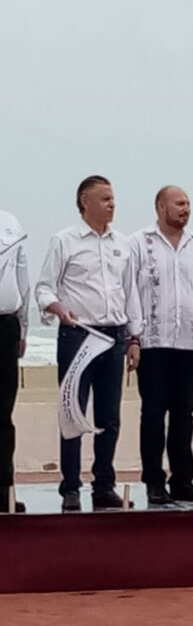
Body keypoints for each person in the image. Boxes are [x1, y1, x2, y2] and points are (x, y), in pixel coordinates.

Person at [35, 175, 133, 511]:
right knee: (72, 413)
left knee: (110, 416)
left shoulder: (123, 244)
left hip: (114, 336)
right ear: (84, 201)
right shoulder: (65, 241)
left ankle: (104, 485)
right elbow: (44, 288)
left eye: (113, 198)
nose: (112, 204)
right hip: (78, 335)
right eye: (104, 198)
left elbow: (129, 292)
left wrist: (134, 337)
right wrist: (57, 307)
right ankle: (71, 487)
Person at [127, 185, 193, 506]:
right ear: (160, 207)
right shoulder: (139, 243)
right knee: (153, 414)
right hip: (154, 343)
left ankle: (183, 480)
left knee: (185, 415)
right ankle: (154, 482)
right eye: (179, 203)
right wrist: (134, 336)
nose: (185, 209)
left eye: (188, 204)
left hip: (191, 343)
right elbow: (130, 292)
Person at [0, 208, 28, 513]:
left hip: (5, 325)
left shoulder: (9, 223)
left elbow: (23, 277)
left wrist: (23, 327)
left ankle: (2, 490)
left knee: (3, 414)